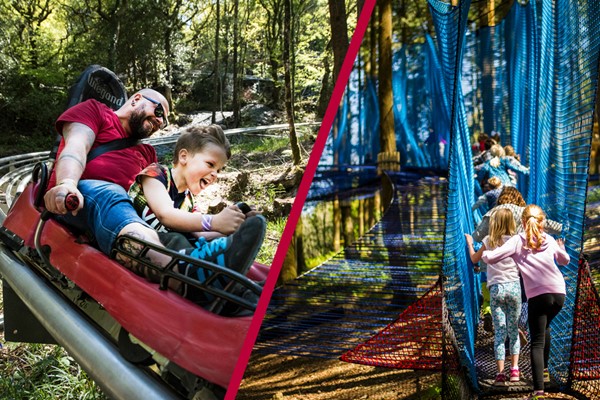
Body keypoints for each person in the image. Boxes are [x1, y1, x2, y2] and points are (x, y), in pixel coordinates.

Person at [43, 90, 264, 301]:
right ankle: (183, 277)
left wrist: (232, 226)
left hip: (127, 219)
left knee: (174, 234)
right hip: (78, 202)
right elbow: (76, 147)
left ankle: (237, 286)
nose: (160, 122)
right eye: (159, 112)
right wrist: (67, 184)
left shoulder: (147, 153)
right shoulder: (96, 111)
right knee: (111, 194)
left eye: (164, 121)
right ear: (136, 99)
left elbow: (164, 204)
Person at [482, 205, 570, 400]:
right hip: (559, 294)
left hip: (538, 297)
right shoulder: (549, 239)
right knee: (545, 328)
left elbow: (492, 257)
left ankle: (538, 391)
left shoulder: (517, 240)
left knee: (536, 342)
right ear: (542, 222)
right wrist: (561, 247)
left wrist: (484, 252)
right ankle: (545, 373)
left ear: (522, 222)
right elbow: (565, 261)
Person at [466, 208, 522, 386]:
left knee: (500, 333)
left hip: (496, 289)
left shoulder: (488, 240)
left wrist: (469, 243)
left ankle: (500, 374)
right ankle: (514, 370)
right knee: (514, 332)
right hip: (514, 288)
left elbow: (475, 259)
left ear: (494, 223)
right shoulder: (516, 240)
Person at [472, 187, 563, 243]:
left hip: (497, 267)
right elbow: (549, 225)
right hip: (524, 262)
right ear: (519, 198)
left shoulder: (492, 213)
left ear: (500, 199)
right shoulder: (526, 213)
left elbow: (477, 237)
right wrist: (564, 229)